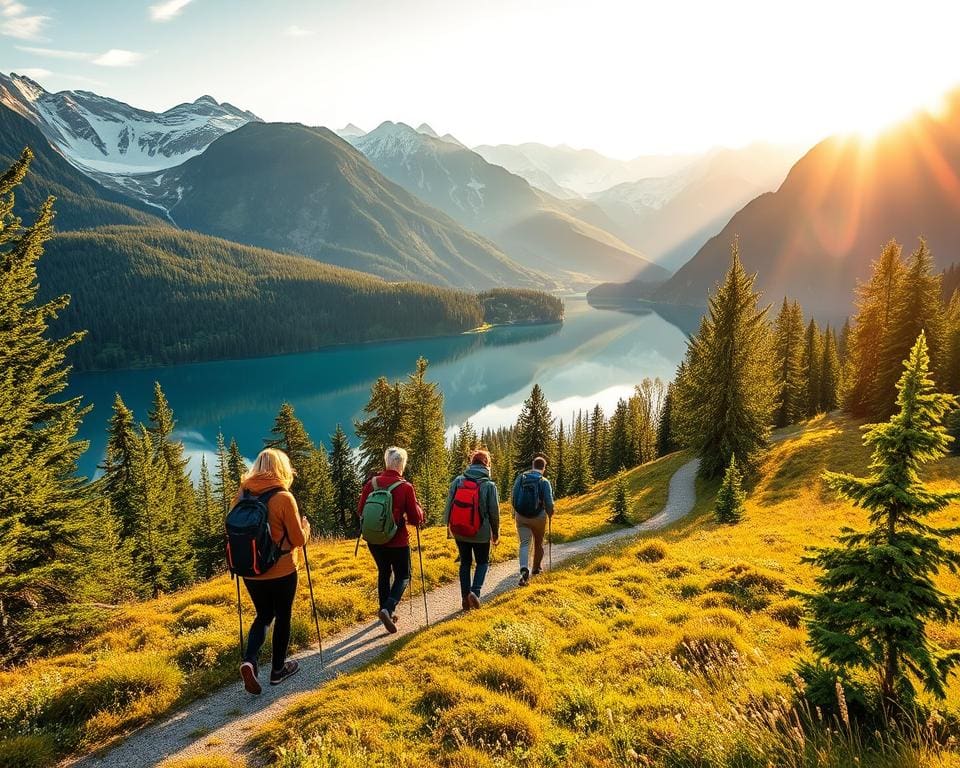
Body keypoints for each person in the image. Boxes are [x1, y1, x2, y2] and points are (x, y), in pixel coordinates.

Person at [237, 448, 310, 695]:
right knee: (283, 615)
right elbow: (298, 540)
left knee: (263, 615)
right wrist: (306, 528)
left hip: (250, 571)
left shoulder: (241, 495)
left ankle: (250, 660)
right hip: (282, 570)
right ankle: (278, 670)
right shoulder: (283, 497)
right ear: (282, 468)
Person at [357, 446, 425, 634]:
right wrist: (418, 508)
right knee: (403, 574)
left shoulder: (371, 484)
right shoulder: (405, 487)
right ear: (402, 464)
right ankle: (388, 608)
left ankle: (384, 610)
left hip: (374, 541)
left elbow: (360, 510)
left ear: (387, 463)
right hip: (397, 541)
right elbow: (415, 518)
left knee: (384, 572)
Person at [444, 449, 500, 610]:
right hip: (480, 533)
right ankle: (474, 592)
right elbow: (494, 512)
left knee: (465, 563)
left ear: (471, 463)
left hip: (460, 531)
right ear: (487, 465)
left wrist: (449, 529)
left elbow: (449, 505)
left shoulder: (458, 481)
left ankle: (464, 598)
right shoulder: (489, 485)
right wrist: (495, 533)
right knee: (482, 562)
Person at [512, 453, 555, 586]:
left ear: (532, 466)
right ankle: (536, 569)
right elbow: (549, 502)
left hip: (521, 517)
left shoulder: (521, 477)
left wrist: (516, 512)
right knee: (538, 543)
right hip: (538, 517)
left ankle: (524, 569)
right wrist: (550, 513)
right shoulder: (544, 481)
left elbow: (513, 496)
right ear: (544, 468)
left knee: (524, 543)